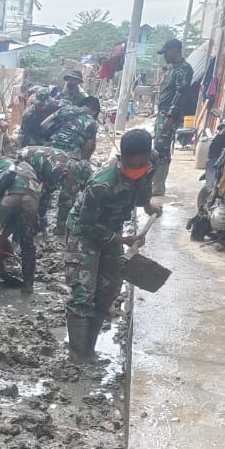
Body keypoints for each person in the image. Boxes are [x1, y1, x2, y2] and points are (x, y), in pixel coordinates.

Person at [63, 128, 161, 361]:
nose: (136, 170)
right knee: (82, 295)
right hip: (84, 233)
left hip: (113, 229)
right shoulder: (101, 184)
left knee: (107, 292)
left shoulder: (152, 162)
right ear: (121, 158)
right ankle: (77, 358)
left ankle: (90, 350)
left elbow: (143, 188)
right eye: (131, 165)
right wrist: (121, 240)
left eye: (141, 165)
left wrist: (148, 206)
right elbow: (86, 225)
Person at [0, 158, 42, 292]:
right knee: (28, 243)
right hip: (32, 197)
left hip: (10, 197)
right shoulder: (27, 166)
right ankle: (28, 286)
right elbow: (13, 222)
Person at [15, 144, 94, 236]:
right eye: (75, 180)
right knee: (28, 196)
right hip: (24, 160)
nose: (74, 184)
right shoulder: (56, 170)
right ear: (68, 173)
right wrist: (61, 228)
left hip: (40, 163)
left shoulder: (73, 168)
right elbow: (63, 201)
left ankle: (40, 219)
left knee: (46, 193)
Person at [153, 37, 194, 196]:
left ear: (175, 50)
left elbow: (180, 94)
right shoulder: (172, 68)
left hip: (169, 115)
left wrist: (170, 118)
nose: (165, 56)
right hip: (163, 113)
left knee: (161, 149)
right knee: (159, 147)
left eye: (166, 52)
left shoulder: (183, 69)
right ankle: (157, 184)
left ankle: (157, 187)